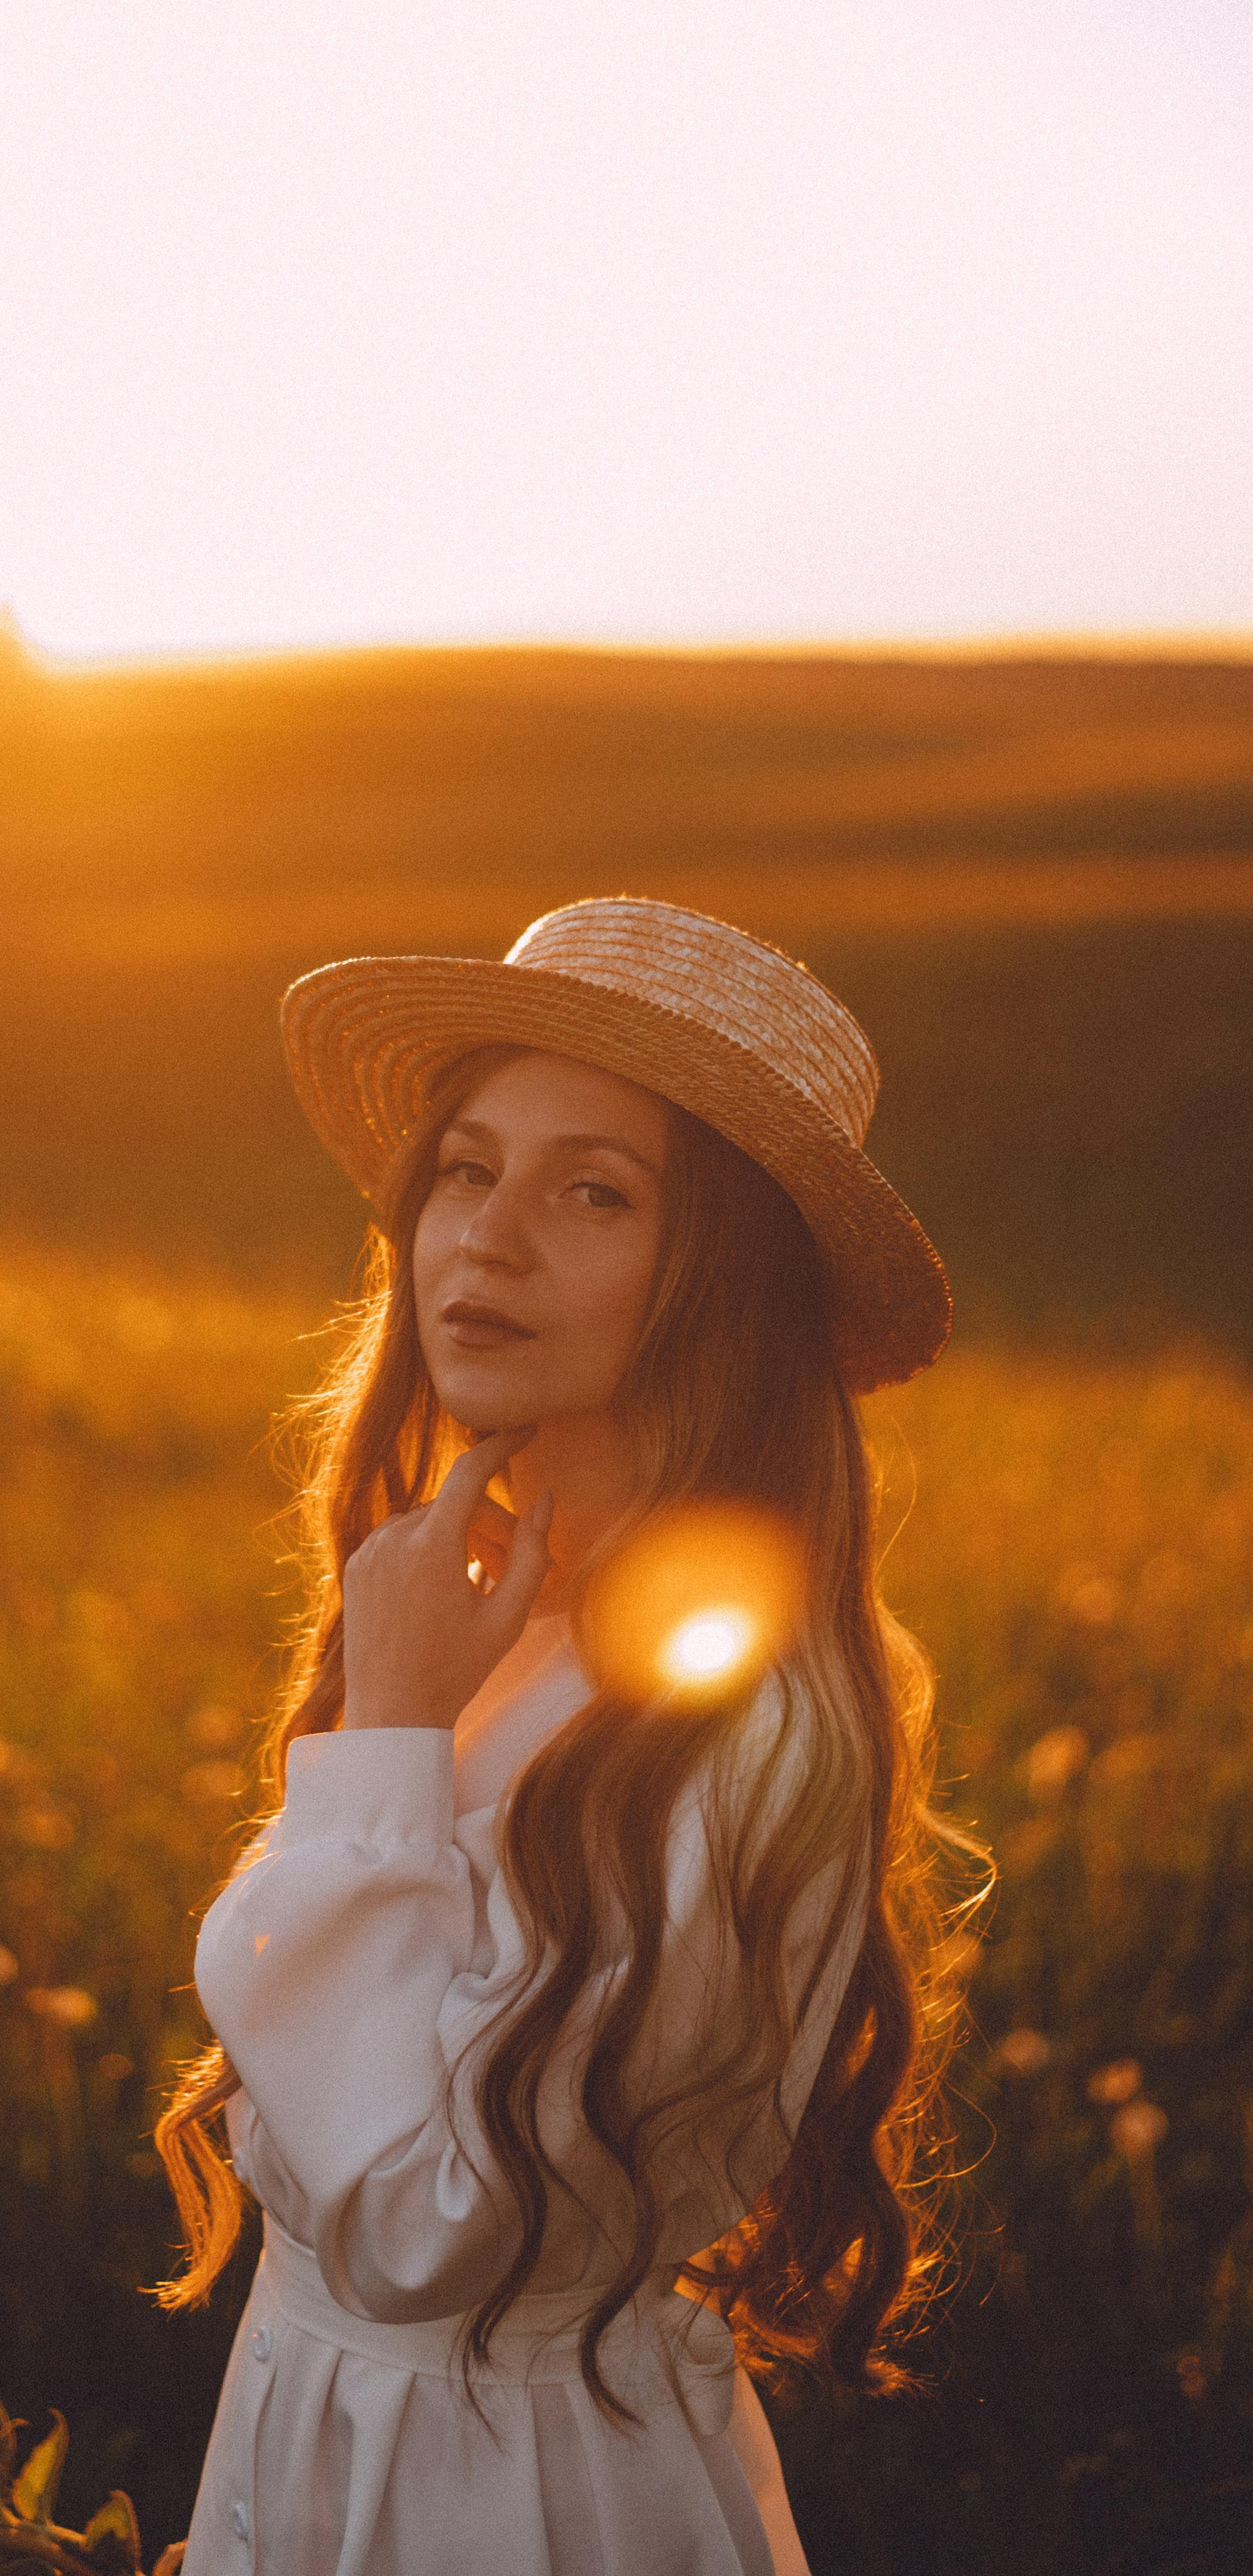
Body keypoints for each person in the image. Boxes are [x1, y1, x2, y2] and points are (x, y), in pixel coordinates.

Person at [156, 897, 984, 2576]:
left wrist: (384, 1733)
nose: (488, 1235)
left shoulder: (741, 1726)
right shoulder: (480, 1607)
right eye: (465, 1168)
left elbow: (418, 2223)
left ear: (730, 1285)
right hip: (318, 2444)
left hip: (510, 2505)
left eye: (591, 1190)